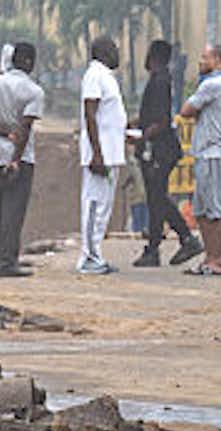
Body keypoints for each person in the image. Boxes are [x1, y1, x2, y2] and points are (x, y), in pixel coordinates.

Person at [0, 41, 42, 277]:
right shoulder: (33, 91)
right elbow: (24, 128)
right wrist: (15, 158)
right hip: (19, 158)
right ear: (27, 62)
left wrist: (1, 131)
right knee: (13, 211)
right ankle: (7, 262)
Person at [133, 40, 198, 266]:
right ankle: (179, 240)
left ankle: (163, 246)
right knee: (156, 198)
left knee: (157, 198)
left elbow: (161, 120)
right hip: (160, 148)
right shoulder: (160, 79)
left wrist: (142, 136)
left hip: (159, 149)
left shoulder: (159, 81)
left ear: (152, 55)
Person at [179, 44, 221, 275]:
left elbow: (186, 110)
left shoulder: (214, 84)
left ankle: (217, 260)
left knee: (214, 209)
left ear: (218, 60)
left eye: (205, 57)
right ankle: (209, 258)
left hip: (213, 153)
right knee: (202, 210)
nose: (200, 61)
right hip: (206, 153)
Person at [77, 37, 128, 275]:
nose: (118, 54)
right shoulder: (95, 75)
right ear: (104, 52)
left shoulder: (107, 77)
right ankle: (87, 256)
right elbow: (90, 113)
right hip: (100, 155)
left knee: (104, 206)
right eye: (115, 49)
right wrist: (97, 153)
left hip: (110, 154)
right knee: (94, 203)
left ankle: (95, 253)